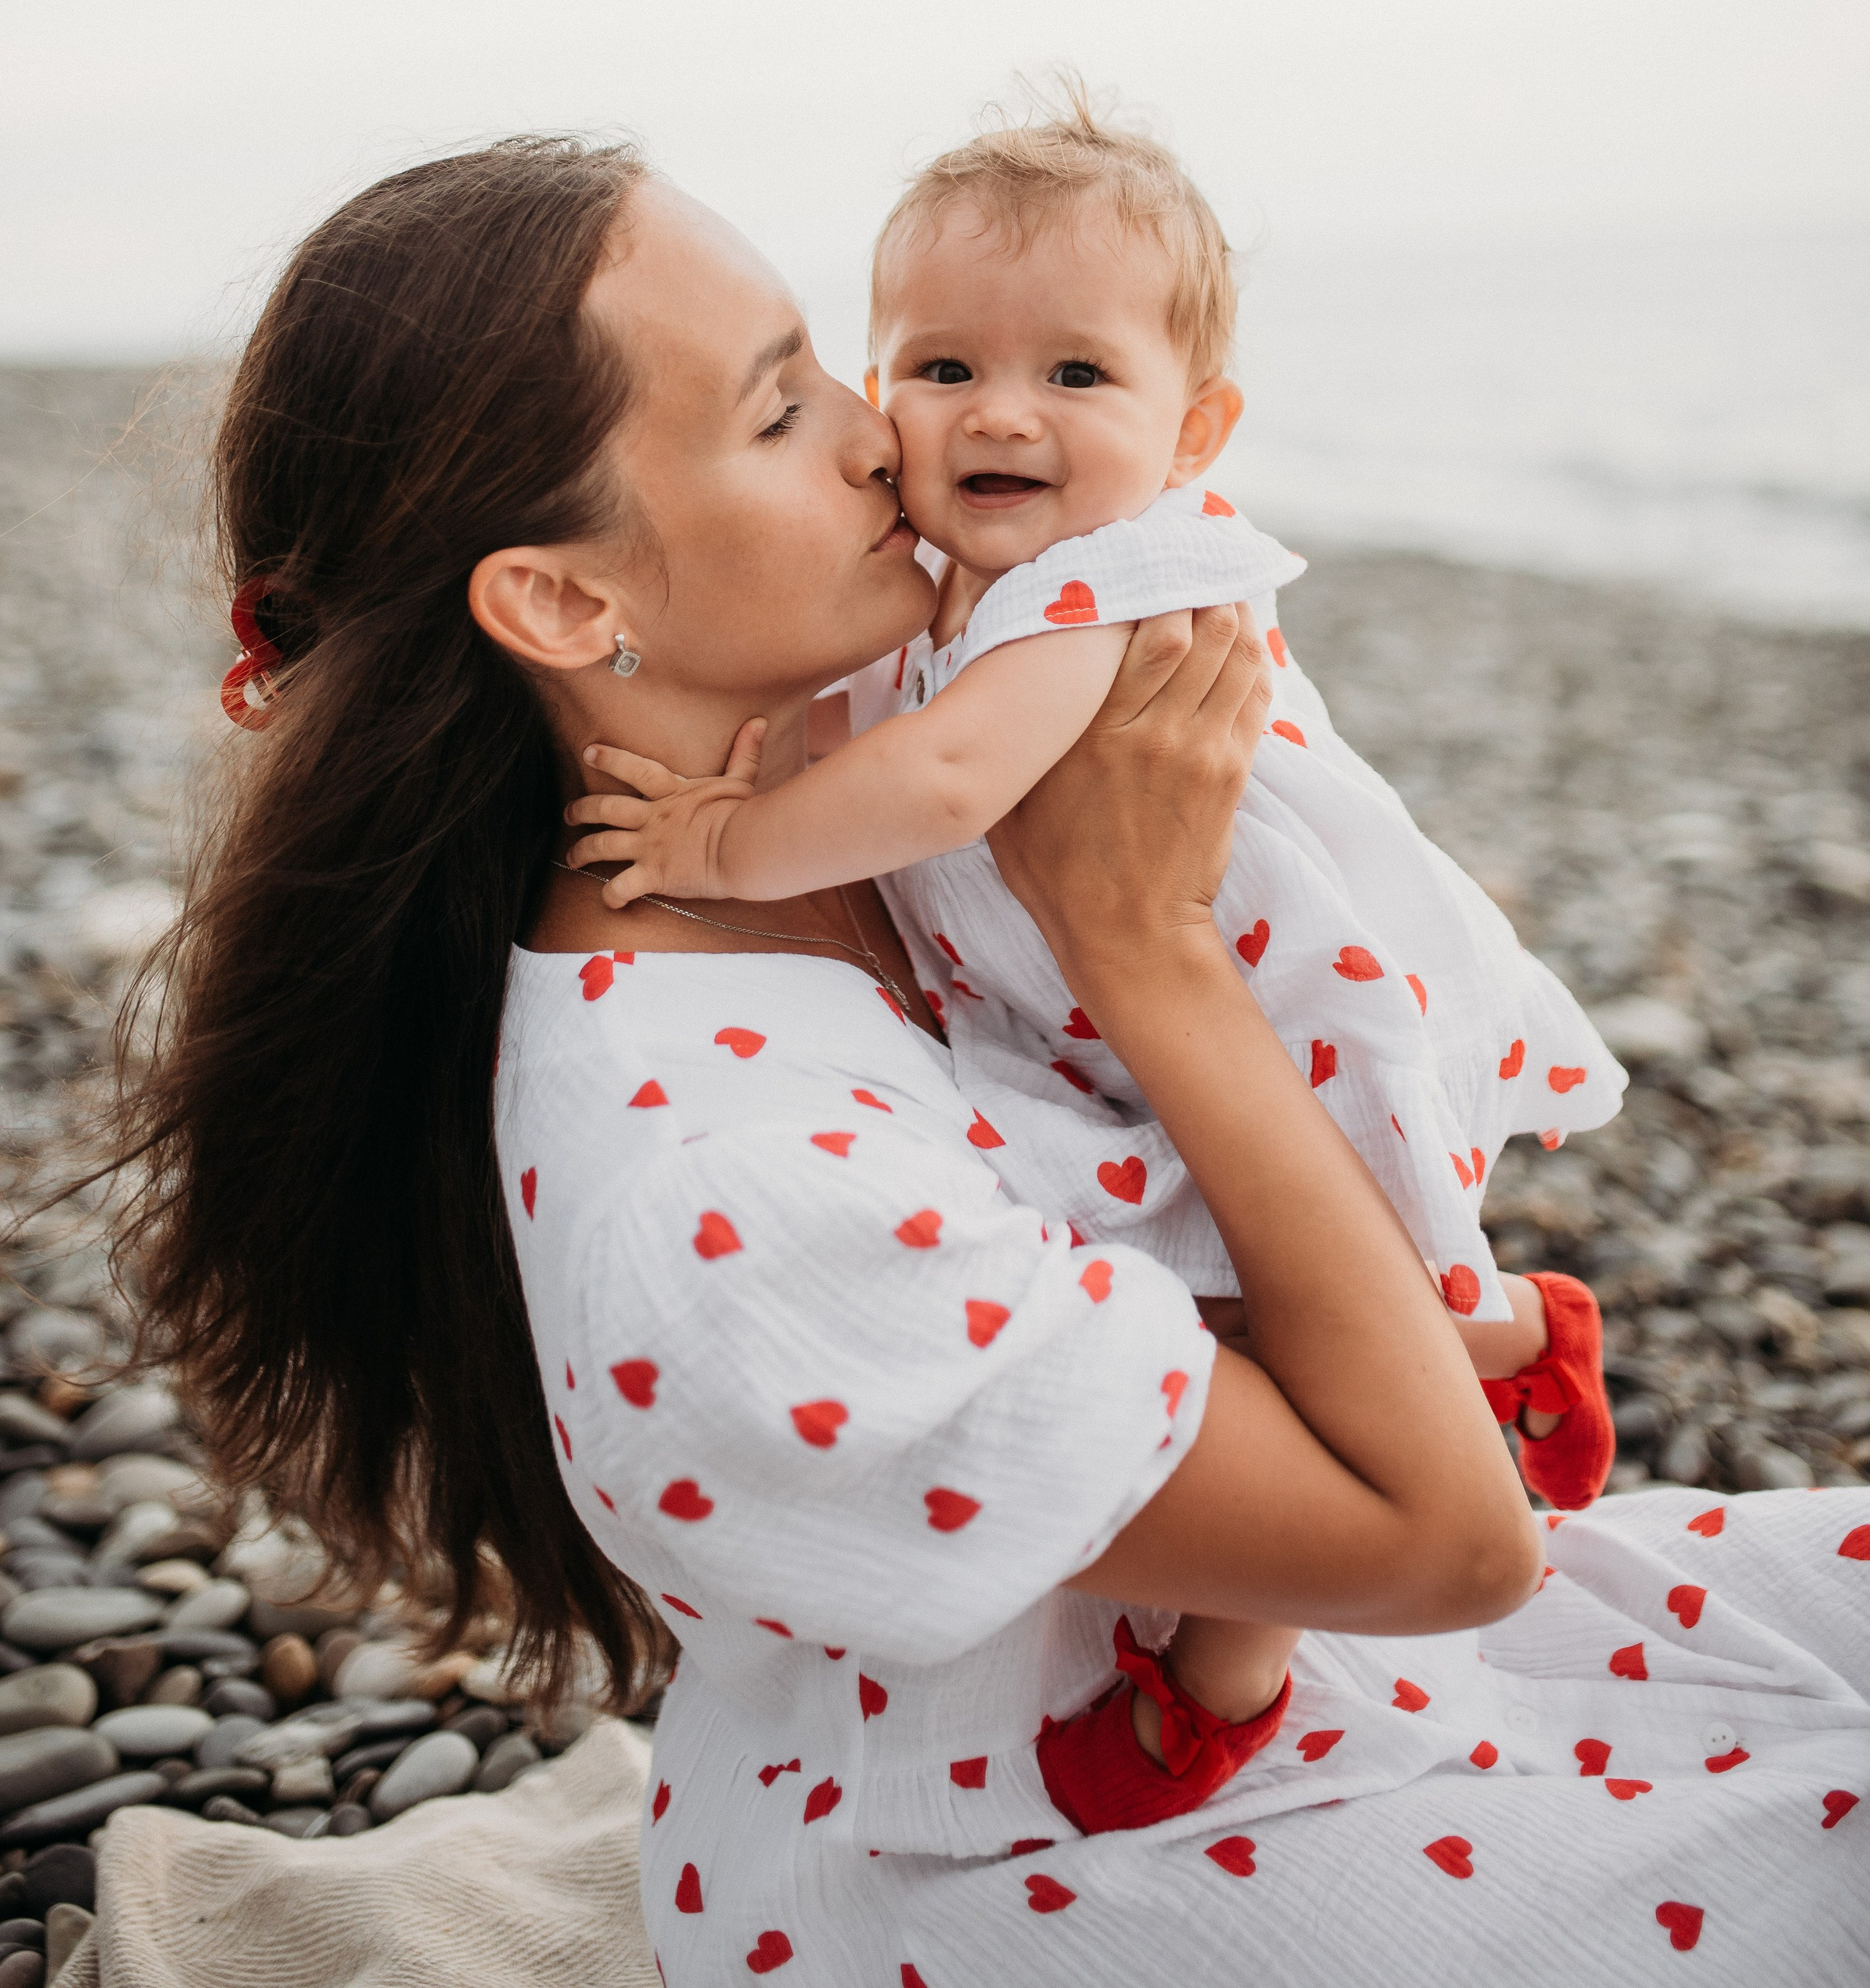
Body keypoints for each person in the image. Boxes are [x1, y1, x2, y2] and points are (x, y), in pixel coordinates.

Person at [124, 137, 1870, 1988]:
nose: (882, 435)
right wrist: (1147, 946)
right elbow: (1450, 1549)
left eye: (839, 364)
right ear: (561, 603)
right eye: (780, 407)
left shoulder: (831, 798)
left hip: (1285, 1649)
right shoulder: (730, 1205)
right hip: (1037, 1865)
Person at [554, 100, 1622, 1779]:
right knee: (1234, 1292)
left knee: (1280, 1294)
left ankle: (1226, 1679)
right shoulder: (973, 574)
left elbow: (949, 775)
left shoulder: (1107, 583)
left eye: (1073, 375)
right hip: (1115, 1005)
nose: (996, 413)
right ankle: (1502, 1340)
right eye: (938, 367)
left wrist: (723, 839)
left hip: (1274, 1003)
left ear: (1193, 429)